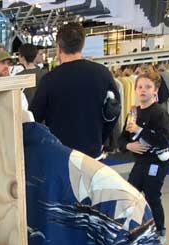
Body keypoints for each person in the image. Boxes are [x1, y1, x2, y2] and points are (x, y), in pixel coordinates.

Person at [29, 22, 119, 158]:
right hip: (92, 152)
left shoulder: (49, 79)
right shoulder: (103, 73)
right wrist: (102, 138)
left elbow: (34, 118)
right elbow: (114, 111)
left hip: (60, 154)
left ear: (58, 47)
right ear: (82, 45)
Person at [118, 69, 169, 244]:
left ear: (155, 90)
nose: (143, 90)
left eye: (148, 87)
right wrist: (128, 145)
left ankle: (160, 232)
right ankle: (130, 228)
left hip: (156, 162)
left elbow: (164, 140)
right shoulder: (133, 113)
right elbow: (122, 139)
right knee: (130, 193)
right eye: (140, 86)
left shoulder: (160, 113)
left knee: (152, 196)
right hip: (141, 162)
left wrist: (140, 130)